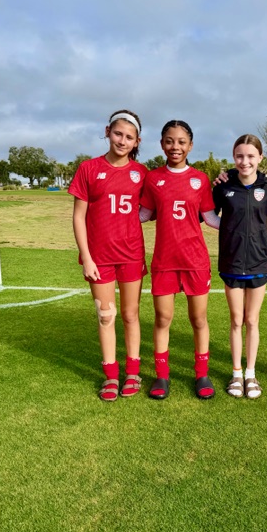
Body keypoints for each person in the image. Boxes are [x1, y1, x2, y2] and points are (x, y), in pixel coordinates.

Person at [68, 110, 148, 402]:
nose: (122, 141)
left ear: (137, 141)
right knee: (105, 316)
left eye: (129, 137)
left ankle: (133, 373)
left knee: (130, 315)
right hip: (99, 257)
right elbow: (79, 217)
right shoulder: (89, 168)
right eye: (118, 134)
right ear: (107, 132)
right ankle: (111, 376)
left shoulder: (142, 173)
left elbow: (158, 203)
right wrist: (86, 257)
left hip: (131, 255)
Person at [139, 120, 220, 400]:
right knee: (163, 318)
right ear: (162, 144)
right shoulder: (153, 178)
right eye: (170, 141)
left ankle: (202, 374)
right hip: (164, 261)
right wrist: (111, 217)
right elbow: (143, 214)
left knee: (198, 318)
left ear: (190, 145)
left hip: (195, 260)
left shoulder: (200, 179)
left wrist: (241, 225)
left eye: (182, 141)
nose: (176, 147)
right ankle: (162, 376)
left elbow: (211, 218)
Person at [213, 134, 267, 399]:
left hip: (259, 261)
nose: (245, 161)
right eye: (239, 156)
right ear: (233, 157)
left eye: (250, 156)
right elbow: (206, 214)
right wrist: (230, 231)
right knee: (236, 320)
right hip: (232, 261)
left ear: (260, 157)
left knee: (252, 320)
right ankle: (236, 373)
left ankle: (251, 374)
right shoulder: (223, 185)